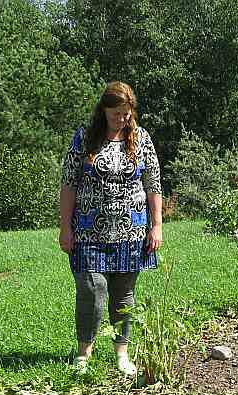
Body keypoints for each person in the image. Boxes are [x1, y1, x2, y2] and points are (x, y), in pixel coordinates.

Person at [58, 81, 163, 376]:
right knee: (92, 288)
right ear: (103, 110)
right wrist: (65, 227)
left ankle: (122, 354)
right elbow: (68, 184)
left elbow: (153, 184)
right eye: (116, 113)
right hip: (88, 231)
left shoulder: (141, 139)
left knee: (124, 293)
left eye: (127, 114)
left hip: (132, 231)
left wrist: (156, 225)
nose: (122, 119)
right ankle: (83, 355)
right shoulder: (84, 138)